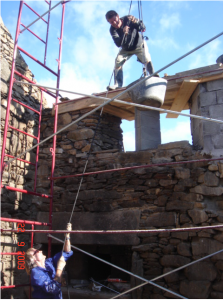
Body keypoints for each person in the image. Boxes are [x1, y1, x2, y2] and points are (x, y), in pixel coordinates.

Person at [105, 10, 157, 90]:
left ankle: (154, 76)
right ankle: (118, 84)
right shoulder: (112, 30)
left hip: (138, 45)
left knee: (146, 58)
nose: (114, 23)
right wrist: (124, 33)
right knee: (118, 61)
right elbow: (118, 44)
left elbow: (143, 29)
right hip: (126, 49)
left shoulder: (128, 19)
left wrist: (136, 22)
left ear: (118, 16)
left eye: (115, 20)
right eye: (111, 22)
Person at [25, 223, 73, 299]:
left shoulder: (48, 263)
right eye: (36, 251)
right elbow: (53, 289)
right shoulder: (36, 273)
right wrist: (59, 270)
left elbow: (67, 252)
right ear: (33, 259)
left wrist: (67, 237)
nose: (40, 251)